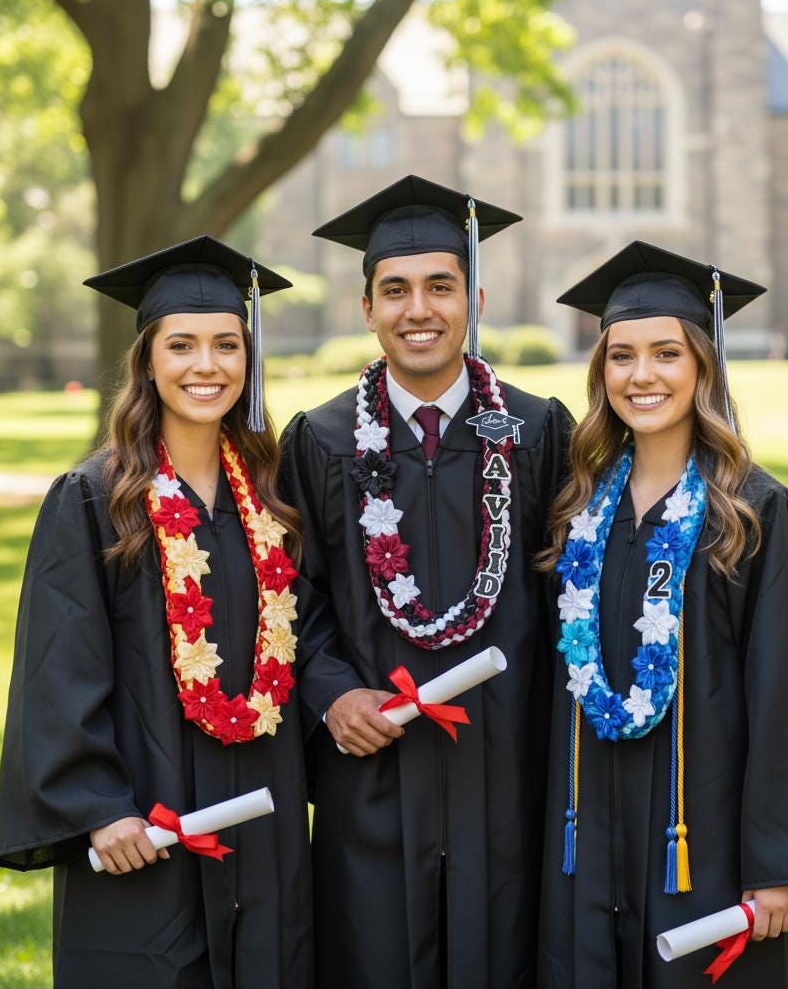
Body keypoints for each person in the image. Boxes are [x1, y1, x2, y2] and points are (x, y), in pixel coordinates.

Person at [537, 241, 788, 988]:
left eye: (667, 353)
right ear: (600, 373)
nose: (642, 375)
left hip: (710, 844)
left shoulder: (755, 515)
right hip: (589, 838)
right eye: (621, 356)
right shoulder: (579, 517)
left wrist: (786, 863)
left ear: (704, 366)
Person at [0, 236, 325, 988]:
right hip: (145, 822)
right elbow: (58, 666)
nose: (206, 366)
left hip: (261, 822)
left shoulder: (271, 499)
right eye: (182, 345)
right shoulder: (94, 499)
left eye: (226, 345)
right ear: (146, 360)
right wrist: (98, 807)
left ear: (250, 356)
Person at [279, 174, 574, 988]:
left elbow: (573, 597)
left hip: (508, 769)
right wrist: (332, 693)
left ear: (472, 297)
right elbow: (290, 600)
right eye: (396, 290)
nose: (420, 310)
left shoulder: (539, 429)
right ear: (365, 307)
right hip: (372, 773)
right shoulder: (321, 439)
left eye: (440, 287)